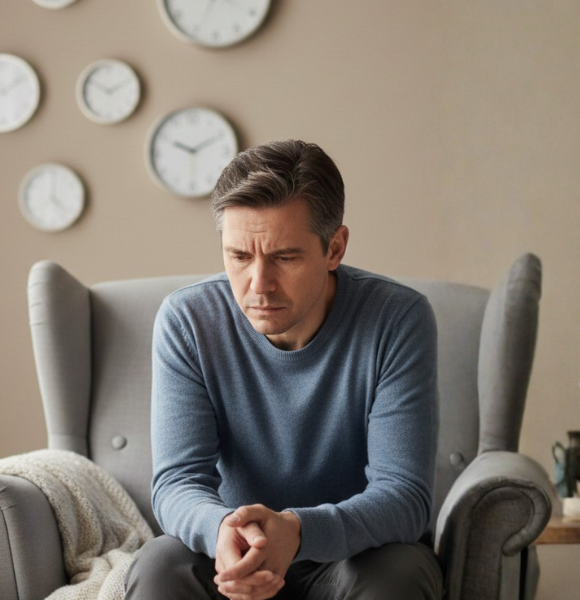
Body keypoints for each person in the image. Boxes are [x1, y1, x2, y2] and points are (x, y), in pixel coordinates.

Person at [125, 140, 443, 600]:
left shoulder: (397, 319)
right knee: (159, 565)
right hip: (235, 552)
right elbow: (178, 483)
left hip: (351, 557)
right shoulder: (188, 320)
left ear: (335, 248)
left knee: (399, 572)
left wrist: (296, 531)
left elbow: (404, 497)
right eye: (239, 256)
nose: (259, 285)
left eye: (284, 258)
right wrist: (224, 532)